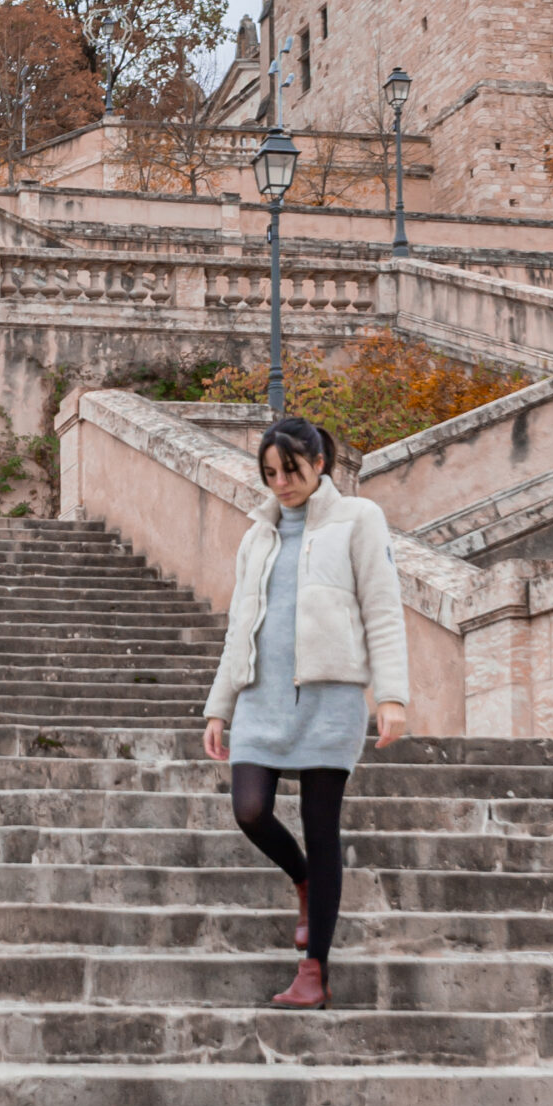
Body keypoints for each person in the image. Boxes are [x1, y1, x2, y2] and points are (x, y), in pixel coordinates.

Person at [203, 415, 409, 1009]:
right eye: (270, 473)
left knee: (323, 833)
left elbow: (383, 608)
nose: (281, 483)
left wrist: (390, 696)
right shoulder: (257, 535)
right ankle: (302, 880)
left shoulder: (358, 520)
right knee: (249, 811)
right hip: (261, 698)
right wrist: (220, 707)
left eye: (290, 470)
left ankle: (313, 970)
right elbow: (240, 627)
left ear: (320, 463)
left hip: (329, 699)